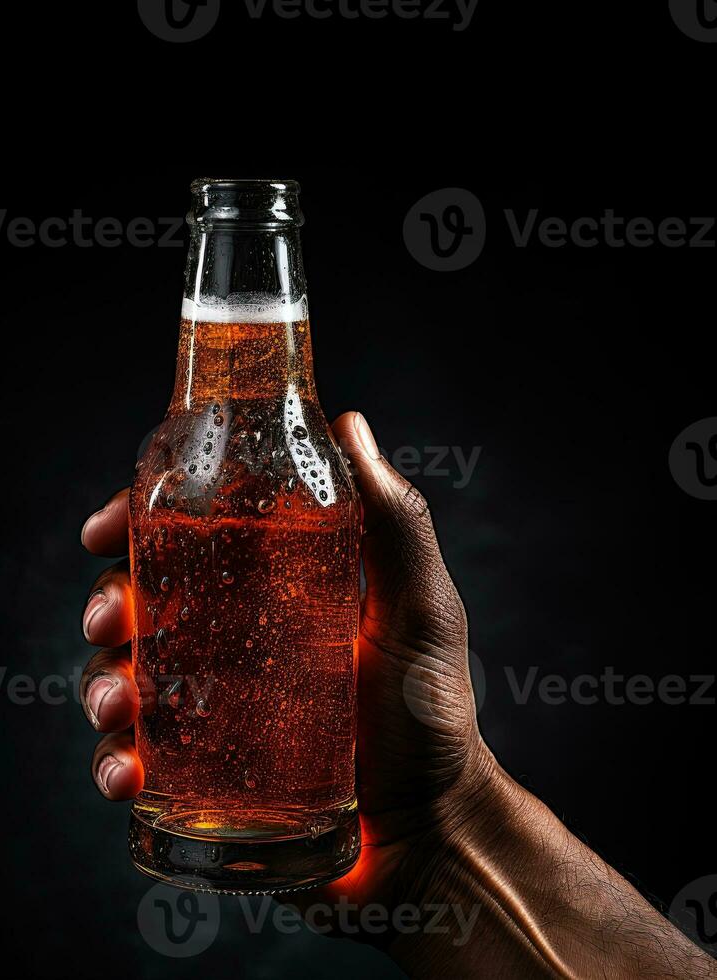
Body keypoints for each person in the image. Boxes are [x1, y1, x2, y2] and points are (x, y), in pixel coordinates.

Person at [79, 412, 717, 976]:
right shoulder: (177, 458)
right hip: (211, 826)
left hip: (337, 826)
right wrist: (434, 843)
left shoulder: (310, 462)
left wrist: (439, 819)